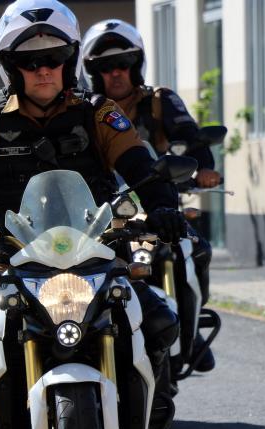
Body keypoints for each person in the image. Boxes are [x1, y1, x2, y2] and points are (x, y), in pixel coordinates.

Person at [0, 0, 182, 429]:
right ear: (11, 66)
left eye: (53, 57)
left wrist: (165, 206)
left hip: (95, 248)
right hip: (8, 254)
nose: (43, 69)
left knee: (157, 320)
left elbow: (138, 162)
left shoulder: (99, 113)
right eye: (30, 61)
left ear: (69, 61)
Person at [82, 18, 219, 372]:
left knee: (195, 247)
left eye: (124, 64)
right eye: (106, 67)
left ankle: (190, 327)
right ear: (93, 72)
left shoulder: (159, 100)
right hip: (104, 208)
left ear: (136, 66)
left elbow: (189, 136)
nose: (116, 73)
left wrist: (201, 168)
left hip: (156, 199)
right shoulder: (85, 109)